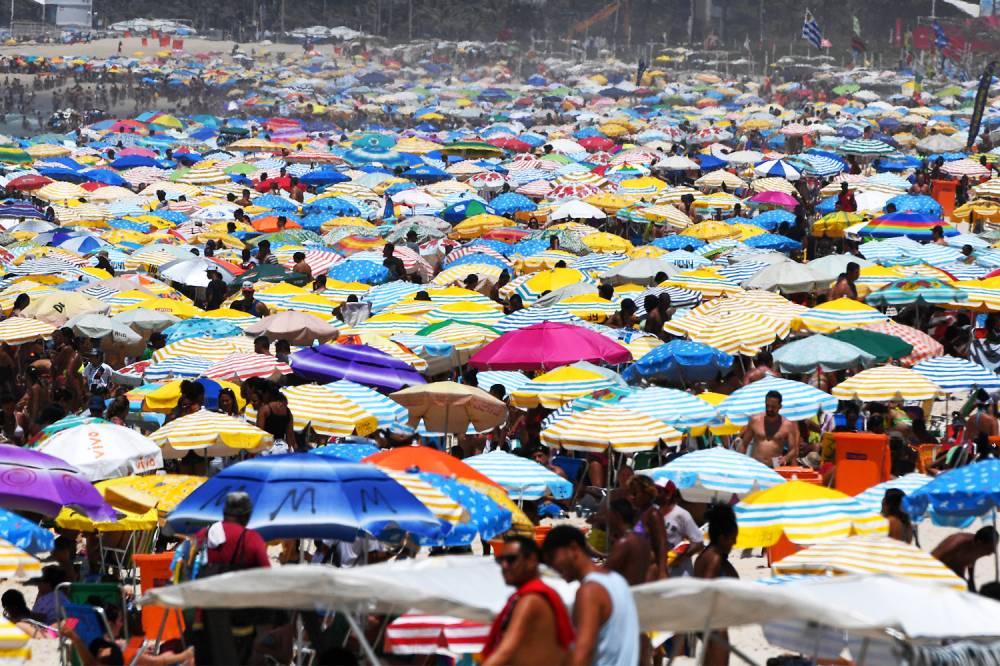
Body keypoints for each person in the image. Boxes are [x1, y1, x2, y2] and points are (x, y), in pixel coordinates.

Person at [543, 525, 640, 666]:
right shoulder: (618, 580)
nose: (552, 567)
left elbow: (582, 655)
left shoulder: (589, 591)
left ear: (573, 549)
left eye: (552, 558)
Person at [192, 492, 270, 664]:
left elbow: (185, 568)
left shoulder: (202, 535)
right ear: (246, 515)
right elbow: (267, 579)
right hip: (237, 623)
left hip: (204, 619)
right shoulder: (251, 539)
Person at [480, 536, 574, 666]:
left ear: (531, 560)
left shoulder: (531, 600)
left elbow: (506, 651)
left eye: (511, 559)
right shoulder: (533, 595)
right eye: (500, 560)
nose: (504, 566)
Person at [694, 504, 739, 666]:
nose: (735, 542)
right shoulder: (714, 558)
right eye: (732, 538)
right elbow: (707, 589)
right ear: (722, 538)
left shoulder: (707, 555)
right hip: (713, 623)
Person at [738, 390, 800, 468]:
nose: (769, 409)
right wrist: (740, 463)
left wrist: (785, 458)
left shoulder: (787, 425)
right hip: (756, 466)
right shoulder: (755, 420)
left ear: (780, 406)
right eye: (767, 406)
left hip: (775, 467)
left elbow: (793, 450)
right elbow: (744, 444)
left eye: (773, 407)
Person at [658, 480, 704, 576]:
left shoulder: (681, 515)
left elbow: (698, 543)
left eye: (659, 491)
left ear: (669, 494)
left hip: (681, 574)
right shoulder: (654, 513)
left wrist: (680, 558)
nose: (655, 494)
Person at [931, 527, 999, 592]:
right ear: (979, 542)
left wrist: (971, 580)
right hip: (937, 574)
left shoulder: (979, 547)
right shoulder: (956, 543)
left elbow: (972, 560)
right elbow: (931, 560)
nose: (993, 551)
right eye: (990, 548)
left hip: (956, 575)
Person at [628, 475, 668, 580]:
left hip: (651, 569)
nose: (631, 497)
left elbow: (662, 543)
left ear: (647, 493)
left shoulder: (653, 514)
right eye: (630, 493)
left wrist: (662, 571)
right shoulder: (637, 513)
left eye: (635, 493)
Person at [604, 498, 650, 586]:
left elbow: (604, 572)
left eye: (609, 514)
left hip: (627, 591)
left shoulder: (624, 543)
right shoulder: (642, 540)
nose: (606, 518)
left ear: (617, 516)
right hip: (638, 589)